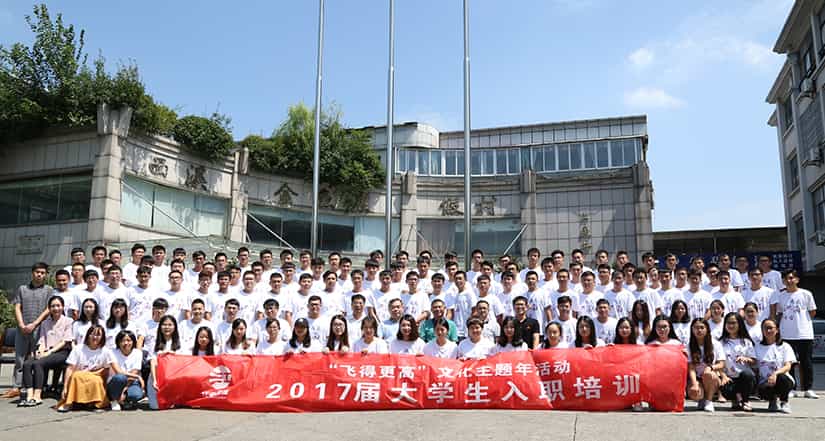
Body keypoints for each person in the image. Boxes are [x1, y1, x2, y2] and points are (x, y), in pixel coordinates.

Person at [4, 263, 52, 400]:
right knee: (20, 358)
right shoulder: (22, 289)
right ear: (32, 273)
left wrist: (35, 323)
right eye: (37, 272)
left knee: (36, 358)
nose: (40, 275)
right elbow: (17, 307)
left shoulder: (49, 290)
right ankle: (17, 387)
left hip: (39, 329)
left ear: (46, 275)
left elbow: (48, 309)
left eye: (43, 273)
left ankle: (35, 386)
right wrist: (21, 324)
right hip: (22, 329)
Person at [770, 269, 817, 399]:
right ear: (783, 281)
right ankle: (792, 388)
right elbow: (779, 313)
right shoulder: (780, 296)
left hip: (804, 333)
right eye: (786, 279)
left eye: (792, 278)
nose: (789, 281)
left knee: (806, 362)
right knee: (788, 363)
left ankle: (808, 388)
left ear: (797, 279)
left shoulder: (806, 294)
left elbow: (812, 312)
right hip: (786, 334)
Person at [18, 296, 72, 407]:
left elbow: (65, 341)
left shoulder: (68, 321)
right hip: (46, 351)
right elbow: (42, 339)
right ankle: (29, 395)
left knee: (38, 363)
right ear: (49, 308)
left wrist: (49, 352)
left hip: (61, 352)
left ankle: (38, 395)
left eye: (58, 305)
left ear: (62, 307)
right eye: (53, 306)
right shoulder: (45, 323)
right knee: (27, 363)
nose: (56, 308)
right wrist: (40, 351)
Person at [56, 325, 114, 412]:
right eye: (92, 334)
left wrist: (93, 375)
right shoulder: (78, 349)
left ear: (102, 337)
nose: (95, 337)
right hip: (78, 377)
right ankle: (69, 403)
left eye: (98, 335)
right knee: (76, 376)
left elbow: (106, 369)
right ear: (88, 335)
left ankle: (96, 403)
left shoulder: (106, 351)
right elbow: (70, 368)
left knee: (96, 380)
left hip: (96, 376)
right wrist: (65, 387)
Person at [755, 319, 796, 413]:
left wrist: (775, 374)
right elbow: (755, 366)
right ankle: (772, 401)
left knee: (782, 378)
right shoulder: (757, 347)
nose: (768, 331)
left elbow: (787, 366)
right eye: (765, 328)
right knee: (762, 388)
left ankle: (784, 402)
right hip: (765, 381)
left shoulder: (785, 346)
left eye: (770, 328)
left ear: (777, 329)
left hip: (782, 379)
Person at [718, 312, 756, 411]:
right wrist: (723, 376)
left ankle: (745, 400)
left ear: (740, 324)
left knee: (748, 375)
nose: (731, 325)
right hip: (728, 377)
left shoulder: (746, 341)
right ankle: (735, 399)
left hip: (743, 377)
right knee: (724, 386)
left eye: (734, 323)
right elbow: (717, 362)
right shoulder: (720, 343)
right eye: (728, 323)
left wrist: (746, 359)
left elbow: (754, 361)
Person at [687, 318, 725, 413]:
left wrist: (711, 367)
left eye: (702, 327)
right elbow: (691, 368)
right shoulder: (689, 345)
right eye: (696, 328)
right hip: (698, 377)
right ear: (692, 330)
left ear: (707, 329)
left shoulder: (715, 344)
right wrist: (695, 384)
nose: (699, 330)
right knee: (695, 394)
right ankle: (701, 398)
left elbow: (722, 364)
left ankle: (709, 401)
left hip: (712, 377)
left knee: (708, 375)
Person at [148, 315, 183, 410]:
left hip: (174, 377)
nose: (167, 327)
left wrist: (172, 356)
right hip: (157, 376)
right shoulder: (154, 343)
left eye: (170, 325)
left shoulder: (181, 343)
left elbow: (184, 362)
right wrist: (155, 381)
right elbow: (152, 362)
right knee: (155, 406)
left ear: (175, 327)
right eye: (164, 325)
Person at [107, 330, 144, 410]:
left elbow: (135, 371)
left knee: (136, 395)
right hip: (115, 382)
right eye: (123, 340)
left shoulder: (138, 353)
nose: (126, 343)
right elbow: (119, 372)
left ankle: (124, 400)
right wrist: (138, 377)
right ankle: (114, 400)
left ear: (133, 342)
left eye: (128, 340)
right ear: (118, 342)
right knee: (120, 377)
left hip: (131, 381)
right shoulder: (112, 352)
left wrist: (124, 390)